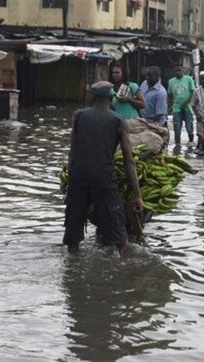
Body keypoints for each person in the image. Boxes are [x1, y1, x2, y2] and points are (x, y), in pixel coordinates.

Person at [63, 81, 143, 254]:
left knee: (73, 237)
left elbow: (72, 153)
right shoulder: (118, 120)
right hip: (103, 178)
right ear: (111, 97)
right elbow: (129, 160)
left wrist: (71, 183)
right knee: (119, 236)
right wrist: (137, 196)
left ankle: (72, 272)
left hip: (78, 176)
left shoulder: (78, 115)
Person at [168, 66, 196, 145]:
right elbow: (169, 95)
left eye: (179, 70)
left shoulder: (189, 79)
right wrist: (168, 107)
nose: (178, 72)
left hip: (188, 107)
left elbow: (193, 93)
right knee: (177, 129)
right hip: (176, 108)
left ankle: (191, 143)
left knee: (189, 127)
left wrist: (186, 102)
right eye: (176, 71)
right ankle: (177, 146)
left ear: (183, 71)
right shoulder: (171, 81)